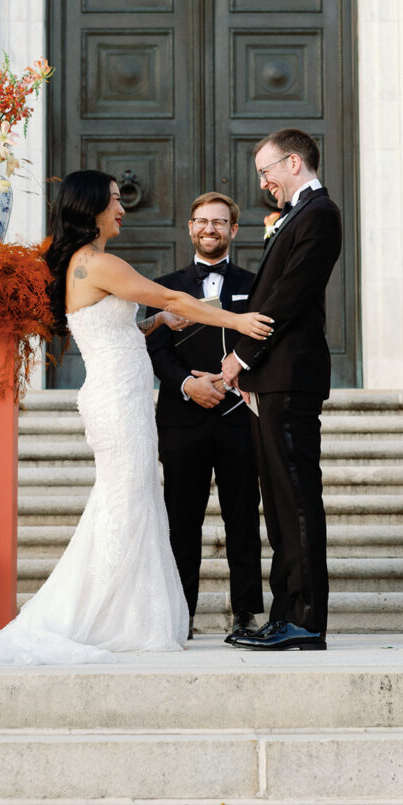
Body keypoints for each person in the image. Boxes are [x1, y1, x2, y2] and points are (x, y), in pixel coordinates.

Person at [0, 170, 273, 665]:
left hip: (120, 397)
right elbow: (172, 295)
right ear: (93, 207)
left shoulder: (82, 265)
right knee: (124, 505)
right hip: (118, 403)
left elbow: (117, 330)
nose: (123, 208)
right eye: (116, 200)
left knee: (129, 502)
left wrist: (157, 324)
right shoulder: (99, 263)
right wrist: (237, 320)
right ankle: (100, 614)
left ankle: (124, 612)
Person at [221, 129, 342, 652]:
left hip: (290, 376)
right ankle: (283, 612)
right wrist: (251, 378)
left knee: (294, 499)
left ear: (293, 162)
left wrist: (242, 357)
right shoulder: (296, 215)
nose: (264, 182)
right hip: (272, 380)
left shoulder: (320, 214)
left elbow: (289, 296)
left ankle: (305, 619)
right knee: (278, 501)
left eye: (267, 170)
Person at [145, 192, 263, 641]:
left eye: (219, 222)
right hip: (182, 419)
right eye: (201, 221)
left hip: (238, 416)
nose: (209, 229)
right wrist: (186, 384)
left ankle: (246, 614)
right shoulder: (164, 285)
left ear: (233, 230)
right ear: (190, 228)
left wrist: (232, 377)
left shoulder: (256, 284)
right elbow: (154, 348)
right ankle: (181, 614)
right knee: (181, 521)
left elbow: (262, 340)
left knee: (243, 520)